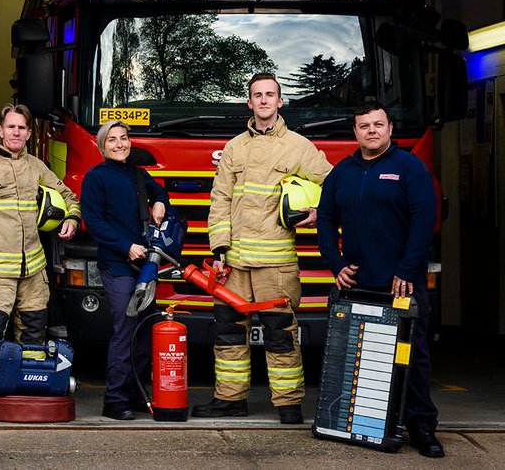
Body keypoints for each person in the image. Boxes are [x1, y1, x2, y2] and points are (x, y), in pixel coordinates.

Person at [193, 73, 332, 424]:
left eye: (271, 94)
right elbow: (220, 199)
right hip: (234, 264)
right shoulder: (235, 148)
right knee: (227, 335)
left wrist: (319, 211)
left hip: (276, 265)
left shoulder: (299, 146)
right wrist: (219, 248)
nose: (265, 100)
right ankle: (230, 400)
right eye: (258, 95)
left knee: (280, 336)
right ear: (249, 103)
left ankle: (288, 405)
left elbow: (334, 184)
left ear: (280, 101)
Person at [316, 101, 443, 457]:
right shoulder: (342, 172)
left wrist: (406, 270)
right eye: (364, 126)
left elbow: (423, 222)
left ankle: (421, 426)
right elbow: (325, 221)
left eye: (378, 124)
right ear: (355, 132)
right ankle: (353, 422)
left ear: (389, 129)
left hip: (401, 283)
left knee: (411, 355)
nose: (371, 130)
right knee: (358, 355)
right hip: (356, 283)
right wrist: (335, 263)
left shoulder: (409, 168)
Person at [0, 104, 81, 418]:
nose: (16, 133)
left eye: (21, 128)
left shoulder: (36, 166)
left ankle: (28, 388)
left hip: (33, 272)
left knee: (35, 333)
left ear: (27, 133)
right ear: (0, 130)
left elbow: (66, 194)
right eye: (10, 127)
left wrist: (73, 219)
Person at [80, 119, 172, 420]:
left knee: (145, 329)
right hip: (118, 265)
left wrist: (159, 202)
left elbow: (160, 193)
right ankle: (114, 400)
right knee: (127, 327)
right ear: (102, 146)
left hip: (145, 266)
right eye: (112, 140)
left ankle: (135, 393)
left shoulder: (137, 173)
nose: (120, 144)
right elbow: (93, 222)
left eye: (124, 138)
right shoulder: (95, 178)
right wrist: (124, 245)